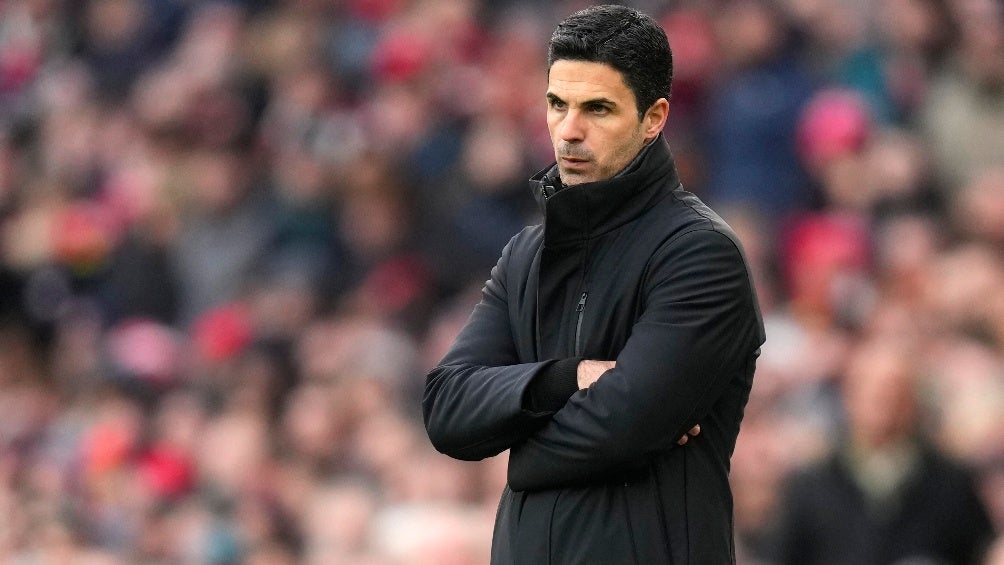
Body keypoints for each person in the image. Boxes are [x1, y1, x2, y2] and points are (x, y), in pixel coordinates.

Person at [422, 5, 765, 564]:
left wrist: (513, 450)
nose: (568, 131)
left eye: (597, 109)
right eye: (557, 104)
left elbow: (620, 427)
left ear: (654, 118)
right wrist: (564, 379)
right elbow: (446, 408)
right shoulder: (525, 255)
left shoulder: (700, 252)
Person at [769, 336, 994, 565]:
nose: (884, 400)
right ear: (849, 396)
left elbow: (980, 550)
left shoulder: (950, 481)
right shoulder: (813, 482)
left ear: (913, 400)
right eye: (871, 389)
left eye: (896, 389)